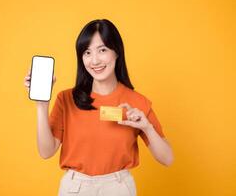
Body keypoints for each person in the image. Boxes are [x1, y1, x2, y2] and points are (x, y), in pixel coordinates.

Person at [24, 19, 173, 196]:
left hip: (118, 188)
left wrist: (147, 127)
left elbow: (168, 159)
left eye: (102, 50)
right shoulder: (66, 99)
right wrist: (42, 106)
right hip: (75, 189)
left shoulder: (137, 102)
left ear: (117, 52)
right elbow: (46, 151)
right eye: (87, 52)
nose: (94, 60)